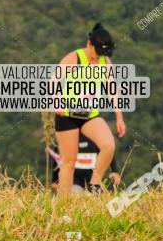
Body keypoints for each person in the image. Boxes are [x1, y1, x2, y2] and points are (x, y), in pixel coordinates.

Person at [54, 23, 125, 197]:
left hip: (89, 114)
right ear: (90, 44)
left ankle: (94, 184)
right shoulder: (74, 58)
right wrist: (56, 101)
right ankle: (63, 206)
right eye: (97, 52)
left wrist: (119, 117)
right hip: (67, 115)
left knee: (108, 145)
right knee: (69, 162)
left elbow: (112, 90)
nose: (98, 57)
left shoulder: (105, 62)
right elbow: (54, 81)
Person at [48, 134, 121, 194]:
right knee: (75, 196)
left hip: (93, 180)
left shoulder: (96, 138)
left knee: (97, 200)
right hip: (74, 181)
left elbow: (108, 152)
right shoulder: (68, 136)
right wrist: (55, 180)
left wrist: (114, 170)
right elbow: (57, 158)